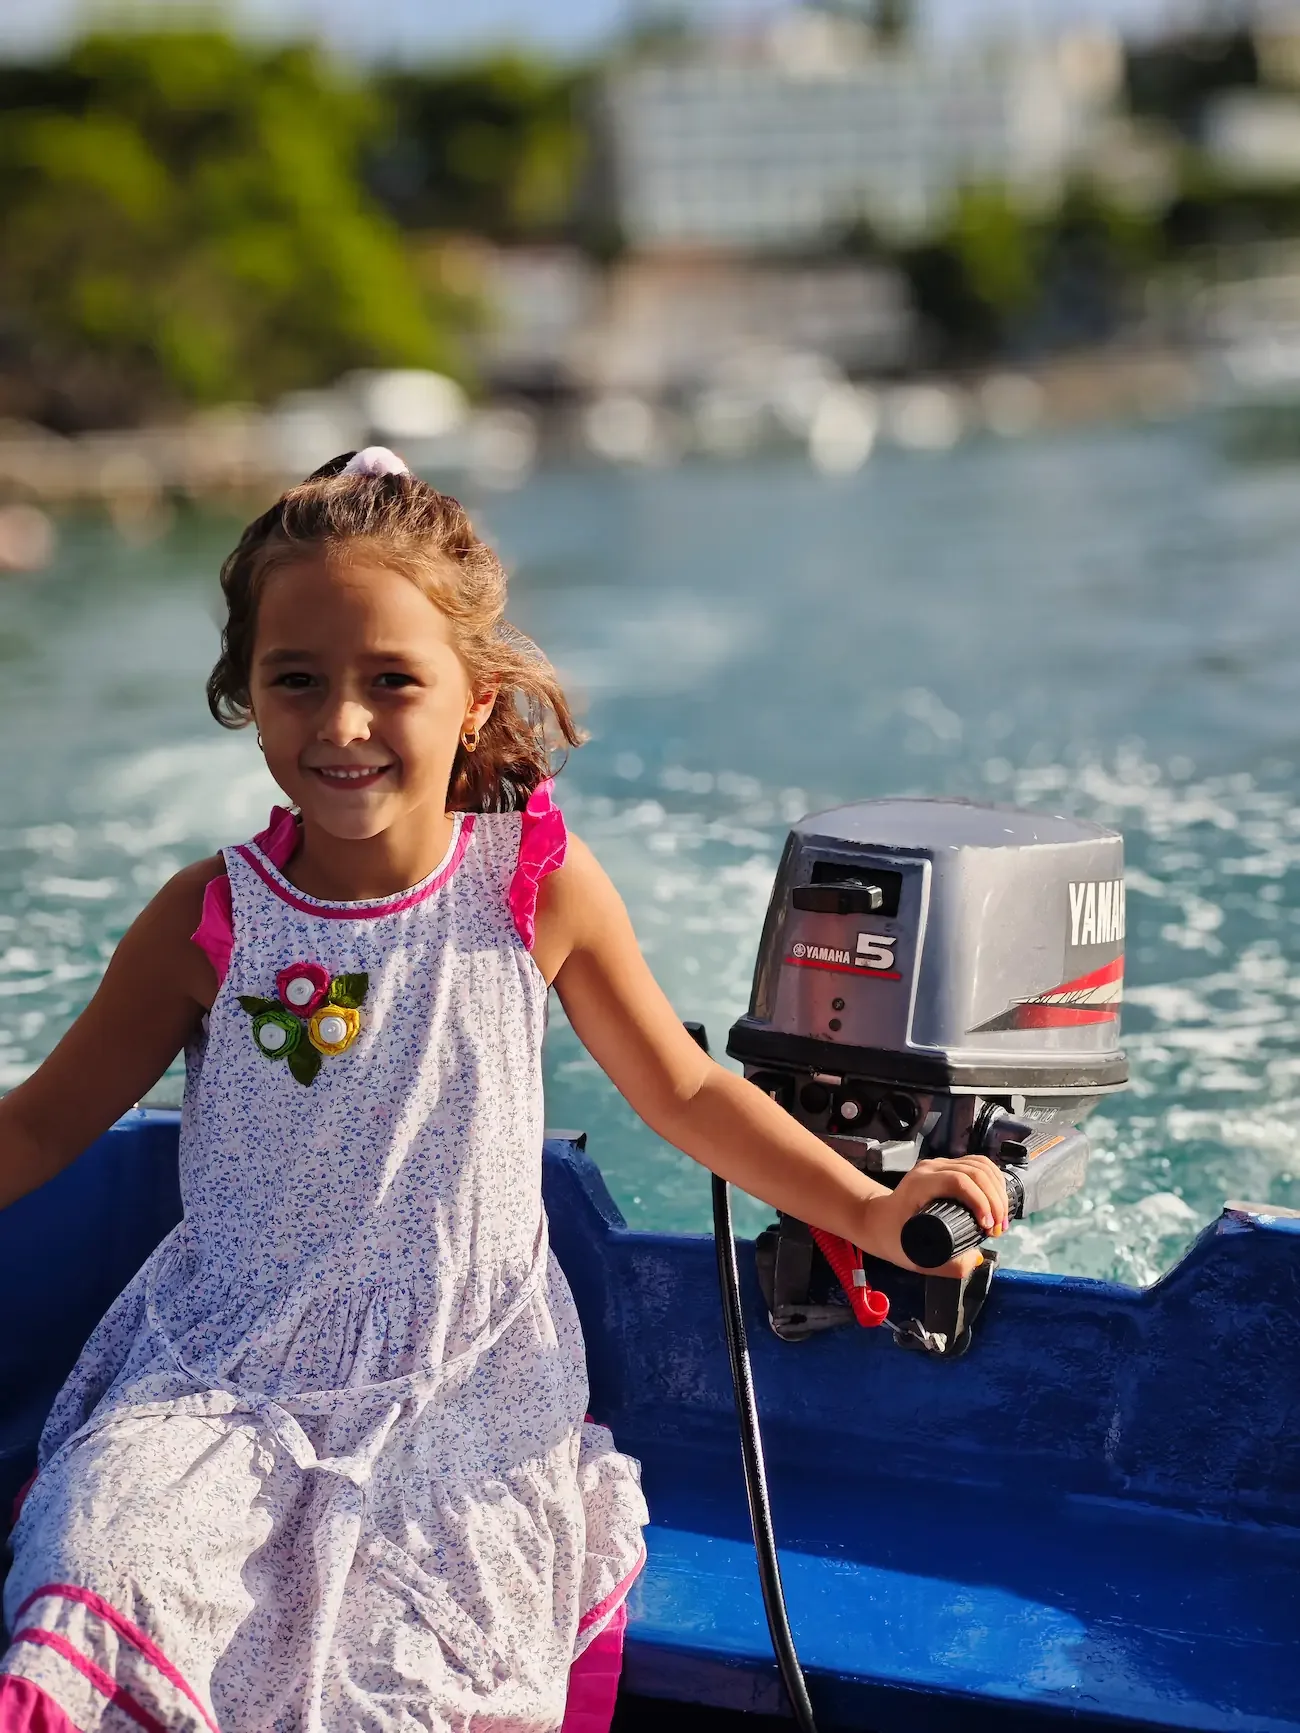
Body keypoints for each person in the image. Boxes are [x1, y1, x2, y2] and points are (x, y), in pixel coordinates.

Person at [0, 449, 1008, 1733]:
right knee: (97, 1574)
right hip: (221, 1371)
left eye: (392, 683)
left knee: (415, 1681)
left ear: (474, 699)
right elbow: (39, 1121)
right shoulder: (212, 916)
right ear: (241, 693)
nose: (341, 723)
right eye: (294, 679)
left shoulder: (533, 885)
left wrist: (871, 1207)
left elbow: (687, 1089)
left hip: (461, 1379)